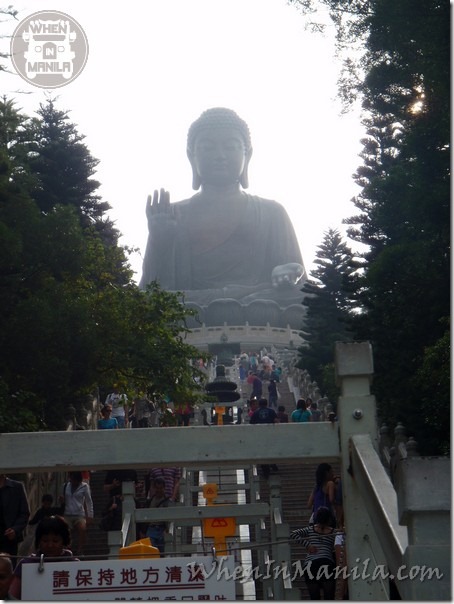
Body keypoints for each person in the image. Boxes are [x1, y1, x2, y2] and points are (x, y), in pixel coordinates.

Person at [139, 108, 306, 313]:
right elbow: (151, 289)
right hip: (193, 305)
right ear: (192, 157)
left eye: (231, 147)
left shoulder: (271, 212)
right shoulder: (172, 214)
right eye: (208, 148)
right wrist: (160, 241)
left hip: (259, 301)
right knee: (150, 302)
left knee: (305, 299)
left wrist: (288, 273)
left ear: (248, 155)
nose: (220, 156)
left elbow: (299, 282)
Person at [9, 515, 78, 599]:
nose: (50, 545)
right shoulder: (26, 564)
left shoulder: (75, 565)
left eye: (55, 541)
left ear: (64, 541)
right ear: (39, 541)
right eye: (45, 541)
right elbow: (12, 596)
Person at [290, 507, 337, 600]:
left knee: (314, 597)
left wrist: (307, 545)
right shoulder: (333, 532)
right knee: (329, 597)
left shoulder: (311, 529)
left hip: (310, 565)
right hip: (327, 563)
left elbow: (293, 534)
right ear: (329, 518)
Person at [60, 471, 94, 555]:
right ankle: (67, 548)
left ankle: (80, 549)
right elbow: (62, 499)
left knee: (82, 529)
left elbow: (88, 501)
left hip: (79, 514)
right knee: (64, 530)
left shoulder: (84, 486)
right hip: (67, 513)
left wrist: (90, 515)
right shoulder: (65, 486)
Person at [0, 474, 30, 557]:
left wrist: (15, 530)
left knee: (8, 567)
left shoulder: (17, 487)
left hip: (8, 539)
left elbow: (24, 513)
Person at [249, 398, 279, 479]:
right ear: (266, 403)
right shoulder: (271, 411)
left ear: (259, 404)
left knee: (262, 453)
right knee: (271, 450)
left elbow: (251, 424)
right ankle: (273, 465)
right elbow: (276, 421)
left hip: (259, 436)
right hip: (270, 436)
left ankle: (266, 472)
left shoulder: (255, 413)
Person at [145, 477, 170, 554]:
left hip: (162, 529)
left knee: (163, 551)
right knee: (151, 551)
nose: (159, 490)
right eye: (157, 488)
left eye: (161, 488)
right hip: (151, 528)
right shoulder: (150, 501)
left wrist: (167, 529)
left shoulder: (167, 502)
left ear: (164, 488)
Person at [307, 463, 336, 528]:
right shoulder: (330, 483)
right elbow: (331, 500)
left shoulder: (316, 487)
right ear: (326, 473)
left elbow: (309, 504)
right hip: (327, 518)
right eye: (331, 472)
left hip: (317, 518)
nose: (333, 474)